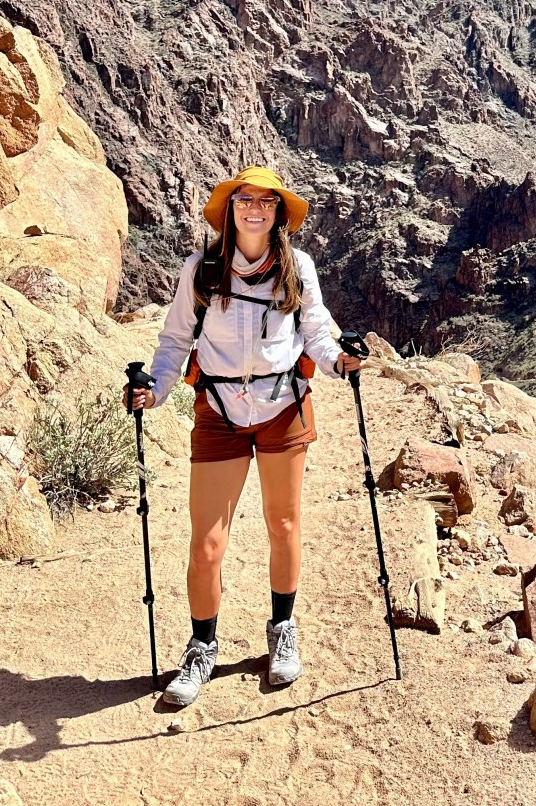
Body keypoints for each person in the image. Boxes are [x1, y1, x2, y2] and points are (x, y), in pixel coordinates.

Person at [125, 166, 360, 708]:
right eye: (244, 200)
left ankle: (282, 630)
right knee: (206, 544)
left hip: (283, 408)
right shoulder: (201, 270)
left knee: (283, 524)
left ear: (279, 213)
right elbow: (175, 340)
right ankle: (202, 646)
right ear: (229, 209)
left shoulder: (297, 268)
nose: (255, 209)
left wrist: (338, 363)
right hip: (219, 412)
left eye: (266, 202)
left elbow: (316, 333)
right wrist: (154, 390)